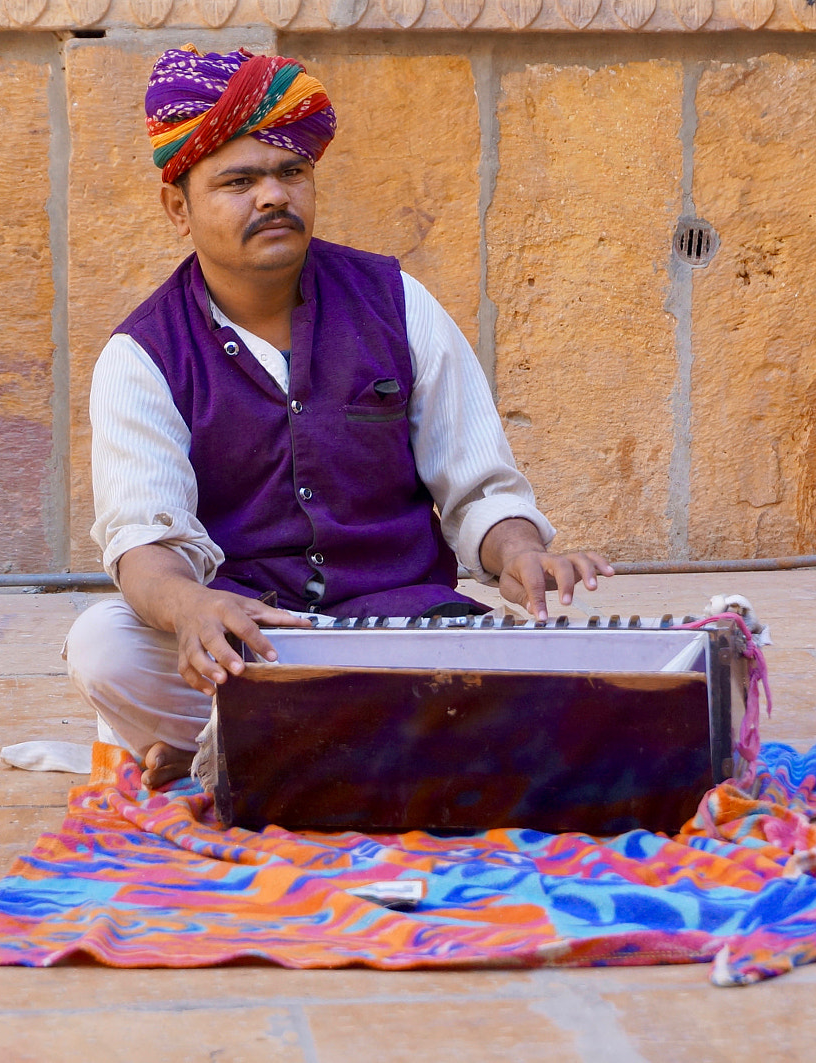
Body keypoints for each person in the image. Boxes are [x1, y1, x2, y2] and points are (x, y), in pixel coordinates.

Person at [64, 47, 614, 789]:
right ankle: (386, 748)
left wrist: (519, 555)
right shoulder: (141, 356)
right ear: (178, 208)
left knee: (528, 661)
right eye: (238, 181)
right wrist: (192, 605)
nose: (272, 196)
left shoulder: (396, 301)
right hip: (258, 646)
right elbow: (145, 543)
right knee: (105, 645)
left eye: (291, 173)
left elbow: (481, 489)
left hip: (403, 631)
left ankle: (265, 756)